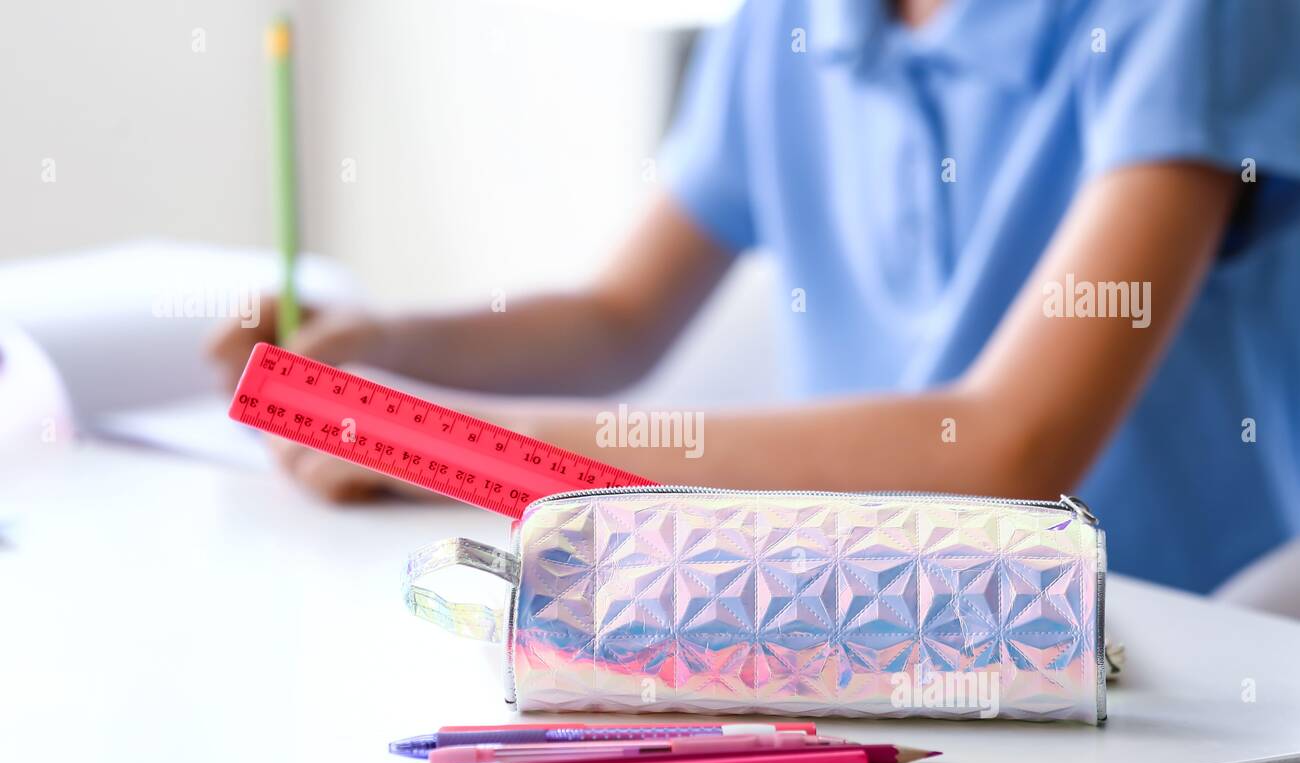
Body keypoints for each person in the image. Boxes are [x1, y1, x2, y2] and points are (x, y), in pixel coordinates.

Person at [210, 0, 1300, 595]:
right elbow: (618, 319)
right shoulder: (788, 21)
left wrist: (455, 444)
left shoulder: (1187, 17)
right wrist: (389, 348)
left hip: (1166, 649)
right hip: (858, 611)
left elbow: (1008, 451)